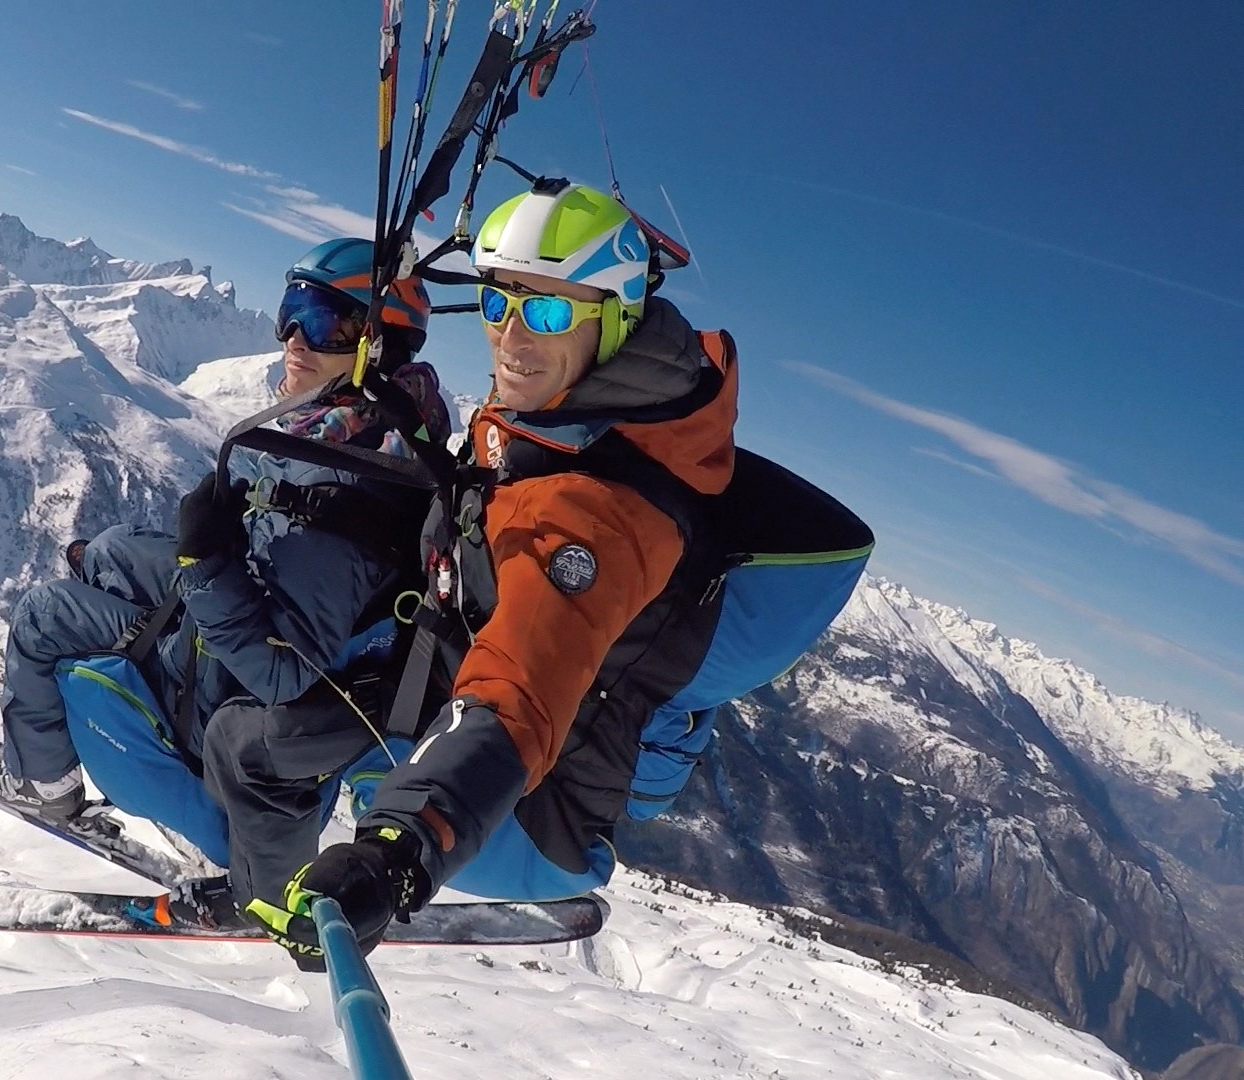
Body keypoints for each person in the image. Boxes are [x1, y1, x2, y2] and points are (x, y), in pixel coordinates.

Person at [249, 180, 873, 965]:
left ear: (613, 321)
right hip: (544, 745)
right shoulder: (586, 409)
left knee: (281, 723)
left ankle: (264, 879)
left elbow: (518, 691)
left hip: (531, 826)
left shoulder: (591, 509)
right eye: (498, 303)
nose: (511, 338)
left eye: (546, 312)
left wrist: (397, 851)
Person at [0, 239, 453, 885]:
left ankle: (45, 786)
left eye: (325, 322)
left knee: (43, 615)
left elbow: (280, 672)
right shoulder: (375, 433)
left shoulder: (345, 483)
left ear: (377, 345)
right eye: (293, 309)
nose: (294, 338)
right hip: (247, 602)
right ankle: (102, 574)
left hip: (216, 685)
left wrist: (204, 564)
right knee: (111, 549)